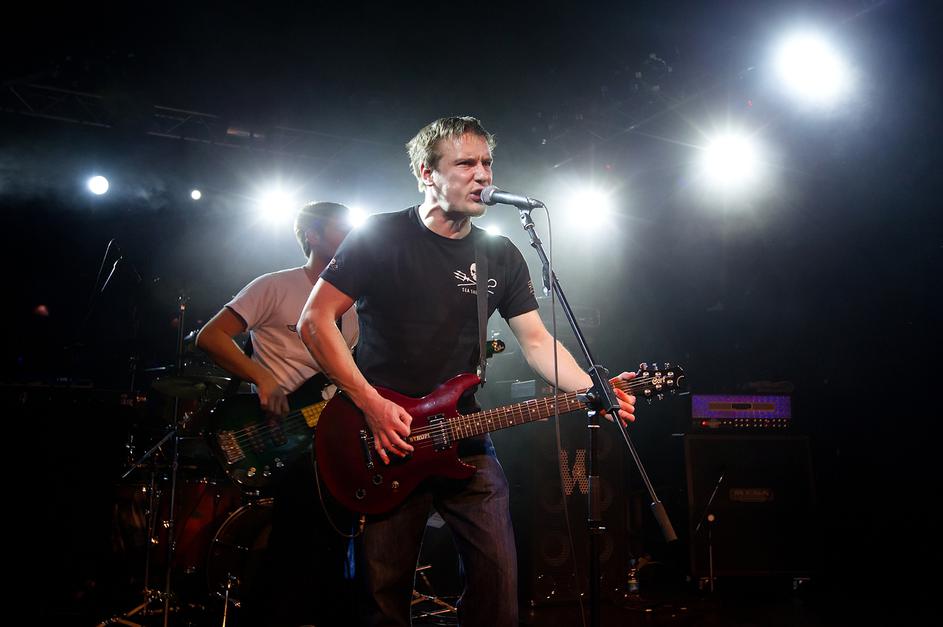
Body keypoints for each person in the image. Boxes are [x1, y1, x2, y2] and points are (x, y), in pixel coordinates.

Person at [297, 116, 637, 627]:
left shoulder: (499, 253)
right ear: (426, 173)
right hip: (386, 439)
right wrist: (371, 404)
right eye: (465, 163)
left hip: (464, 435)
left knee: (499, 585)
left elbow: (537, 341)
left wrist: (594, 390)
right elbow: (314, 321)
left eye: (487, 163)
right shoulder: (380, 236)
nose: (483, 175)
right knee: (382, 598)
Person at [196, 200, 358, 627]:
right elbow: (210, 336)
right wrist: (262, 378)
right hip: (284, 432)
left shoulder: (353, 303)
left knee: (334, 547)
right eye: (340, 227)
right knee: (292, 548)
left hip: (331, 435)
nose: (351, 235)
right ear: (312, 235)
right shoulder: (275, 285)